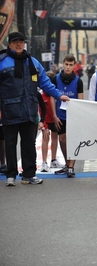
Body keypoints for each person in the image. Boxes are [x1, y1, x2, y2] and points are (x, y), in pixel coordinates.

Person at [0, 32, 70, 186]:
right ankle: (11, 175)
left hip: (30, 110)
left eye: (21, 42)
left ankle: (29, 174)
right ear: (9, 44)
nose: (19, 44)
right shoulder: (2, 62)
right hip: (9, 110)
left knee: (29, 143)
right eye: (15, 42)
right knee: (11, 144)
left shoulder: (33, 62)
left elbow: (45, 83)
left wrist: (58, 96)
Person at [51, 54, 84, 178]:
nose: (68, 67)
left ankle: (71, 167)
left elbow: (80, 101)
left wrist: (79, 117)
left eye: (71, 65)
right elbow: (52, 97)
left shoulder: (78, 81)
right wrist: (54, 115)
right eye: (66, 64)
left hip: (73, 116)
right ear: (62, 64)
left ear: (74, 66)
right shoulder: (56, 79)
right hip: (60, 115)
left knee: (73, 141)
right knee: (62, 140)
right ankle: (67, 163)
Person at [40, 71, 64, 172]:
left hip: (54, 119)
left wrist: (57, 117)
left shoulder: (55, 94)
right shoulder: (41, 95)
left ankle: (53, 160)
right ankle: (44, 162)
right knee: (45, 138)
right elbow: (39, 111)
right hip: (45, 120)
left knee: (55, 138)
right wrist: (43, 125)